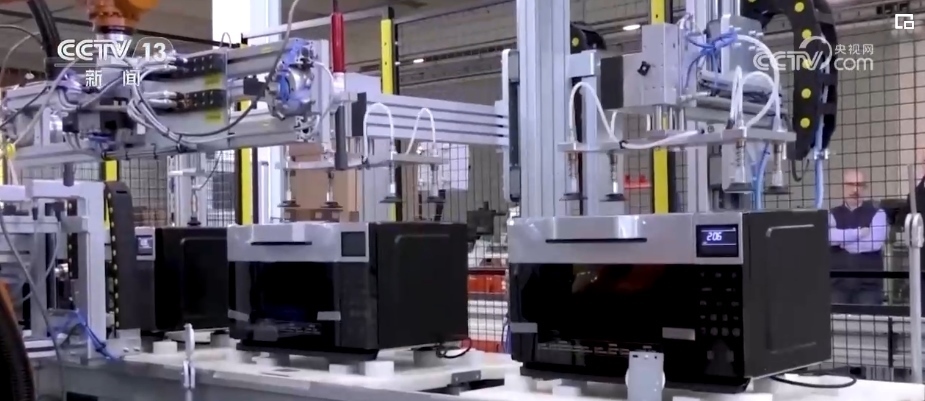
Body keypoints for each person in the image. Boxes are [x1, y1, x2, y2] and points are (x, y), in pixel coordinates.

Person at [829, 169, 887, 305]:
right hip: (837, 286)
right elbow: (828, 237)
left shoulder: (878, 213)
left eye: (860, 185)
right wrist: (859, 233)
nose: (855, 189)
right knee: (835, 318)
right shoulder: (831, 214)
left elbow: (874, 243)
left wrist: (842, 241)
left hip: (869, 287)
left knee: (869, 318)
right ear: (843, 187)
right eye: (850, 184)